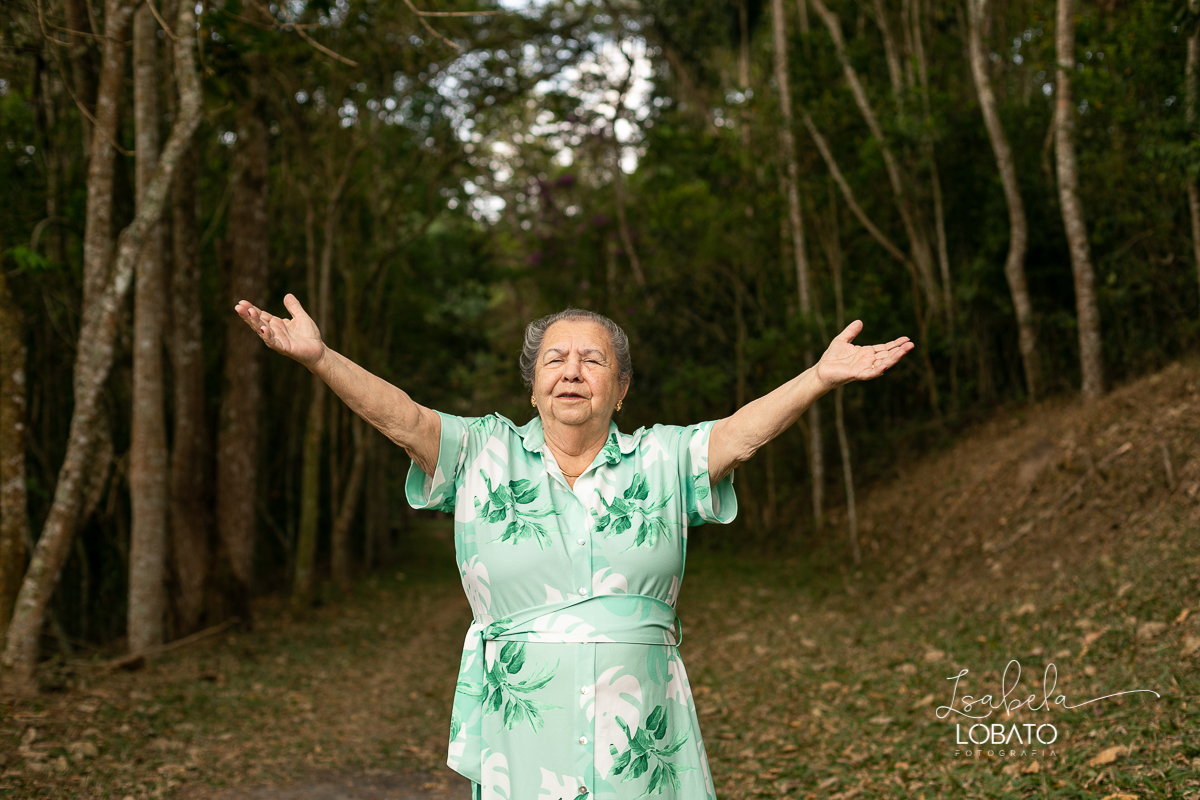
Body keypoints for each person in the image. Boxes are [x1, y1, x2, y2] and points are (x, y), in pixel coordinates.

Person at [234, 295, 913, 800]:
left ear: (620, 390)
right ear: (532, 386)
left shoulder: (662, 457)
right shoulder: (481, 450)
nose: (572, 371)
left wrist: (819, 377)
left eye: (594, 361)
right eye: (555, 359)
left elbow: (739, 435)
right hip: (524, 733)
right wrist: (320, 359)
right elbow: (403, 417)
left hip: (642, 732)